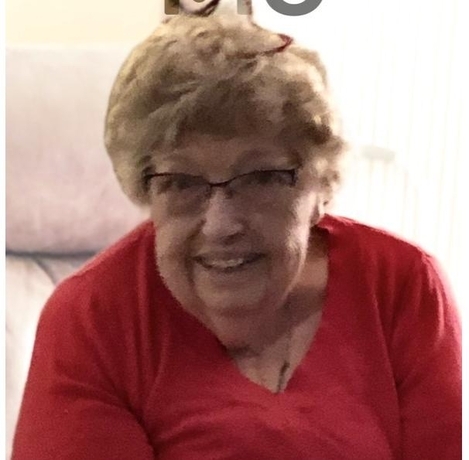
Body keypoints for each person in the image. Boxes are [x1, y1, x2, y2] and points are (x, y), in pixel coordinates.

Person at [12, 1, 462, 459]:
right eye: (181, 182)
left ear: (321, 186)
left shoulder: (402, 287)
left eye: (261, 178)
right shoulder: (94, 319)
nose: (221, 224)